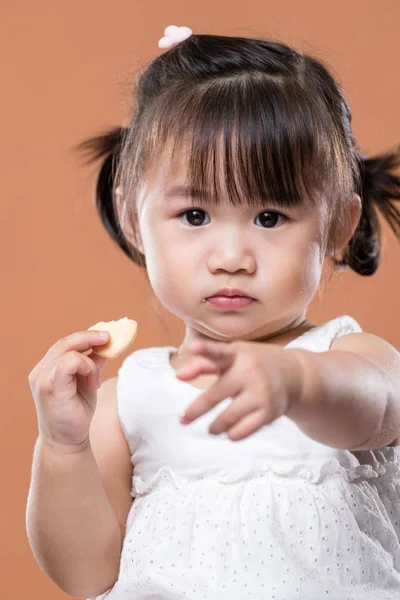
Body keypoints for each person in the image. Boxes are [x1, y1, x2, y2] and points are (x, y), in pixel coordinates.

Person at [26, 24, 400, 600]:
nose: (231, 258)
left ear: (338, 226)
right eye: (195, 216)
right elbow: (86, 575)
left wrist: (294, 382)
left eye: (270, 217)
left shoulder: (347, 358)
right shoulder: (130, 398)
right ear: (133, 218)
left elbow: (376, 405)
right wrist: (63, 445)